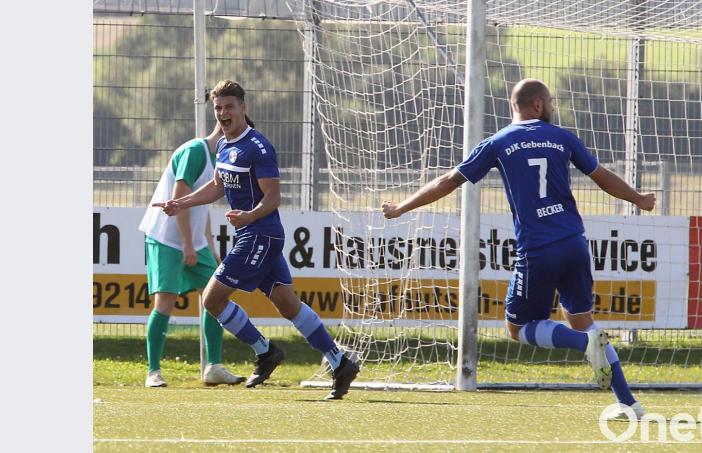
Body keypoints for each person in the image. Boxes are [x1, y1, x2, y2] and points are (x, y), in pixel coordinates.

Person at [382, 79, 655, 419]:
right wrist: (639, 199)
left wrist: (402, 208)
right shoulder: (562, 138)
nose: (552, 106)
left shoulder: (498, 142)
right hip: (574, 241)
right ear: (538, 105)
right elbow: (604, 177)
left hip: (538, 248)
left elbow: (447, 182)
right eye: (550, 101)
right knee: (583, 321)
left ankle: (583, 345)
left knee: (518, 327)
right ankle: (629, 403)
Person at [153, 79, 360, 400]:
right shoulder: (224, 145)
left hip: (260, 235)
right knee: (287, 303)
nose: (223, 113)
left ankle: (265, 351)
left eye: (229, 107)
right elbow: (218, 187)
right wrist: (182, 202)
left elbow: (273, 197)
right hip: (256, 235)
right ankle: (339, 360)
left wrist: (249, 216)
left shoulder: (257, 147)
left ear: (243, 108)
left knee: (212, 299)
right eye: (218, 108)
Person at [138, 120, 248, 388]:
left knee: (214, 298)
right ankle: (153, 372)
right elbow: (179, 200)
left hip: (195, 241)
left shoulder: (221, 158)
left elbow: (202, 205)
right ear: (223, 127)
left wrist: (208, 245)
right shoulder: (195, 151)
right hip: (166, 237)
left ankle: (214, 367)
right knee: (165, 301)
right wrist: (187, 244)